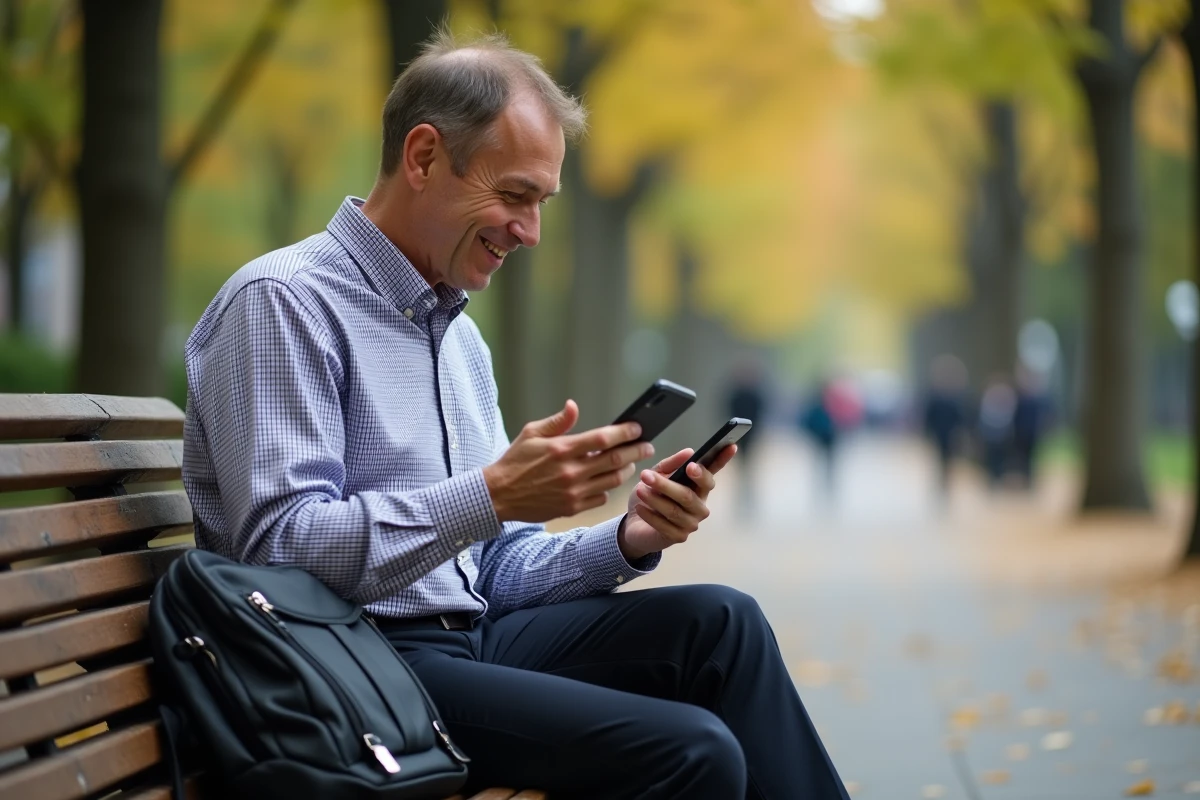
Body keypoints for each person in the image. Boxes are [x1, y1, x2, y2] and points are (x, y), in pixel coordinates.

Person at [182, 29, 848, 800]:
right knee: (692, 751)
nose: (530, 232)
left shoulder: (459, 337)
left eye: (541, 202)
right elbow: (276, 552)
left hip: (461, 643)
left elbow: (490, 571)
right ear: (424, 157)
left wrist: (629, 538)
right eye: (514, 196)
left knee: (724, 626)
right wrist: (491, 496)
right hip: (339, 665)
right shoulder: (283, 304)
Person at [923, 355, 968, 500]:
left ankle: (946, 484)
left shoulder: (957, 395)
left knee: (949, 461)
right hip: (939, 434)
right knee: (940, 461)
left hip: (952, 435)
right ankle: (940, 484)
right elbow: (929, 417)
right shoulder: (935, 395)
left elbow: (962, 417)